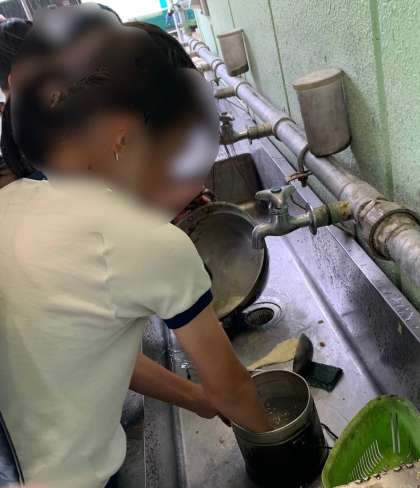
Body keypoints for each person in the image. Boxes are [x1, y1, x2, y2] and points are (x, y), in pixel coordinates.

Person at [0, 15, 269, 488]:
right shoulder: (141, 240)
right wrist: (286, 448)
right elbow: (233, 387)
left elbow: (93, 351)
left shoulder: (17, 201)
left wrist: (198, 399)